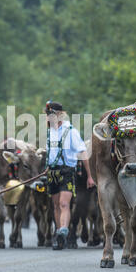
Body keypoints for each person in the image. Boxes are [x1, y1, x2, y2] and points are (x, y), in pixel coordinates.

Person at [44, 101, 95, 250]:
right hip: (52, 172)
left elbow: (83, 152)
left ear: (60, 114)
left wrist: (90, 176)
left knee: (64, 203)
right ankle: (59, 236)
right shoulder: (49, 132)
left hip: (67, 171)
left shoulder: (70, 131)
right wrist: (47, 167)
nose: (49, 117)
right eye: (48, 114)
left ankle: (63, 230)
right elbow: (50, 153)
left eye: (52, 114)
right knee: (55, 205)